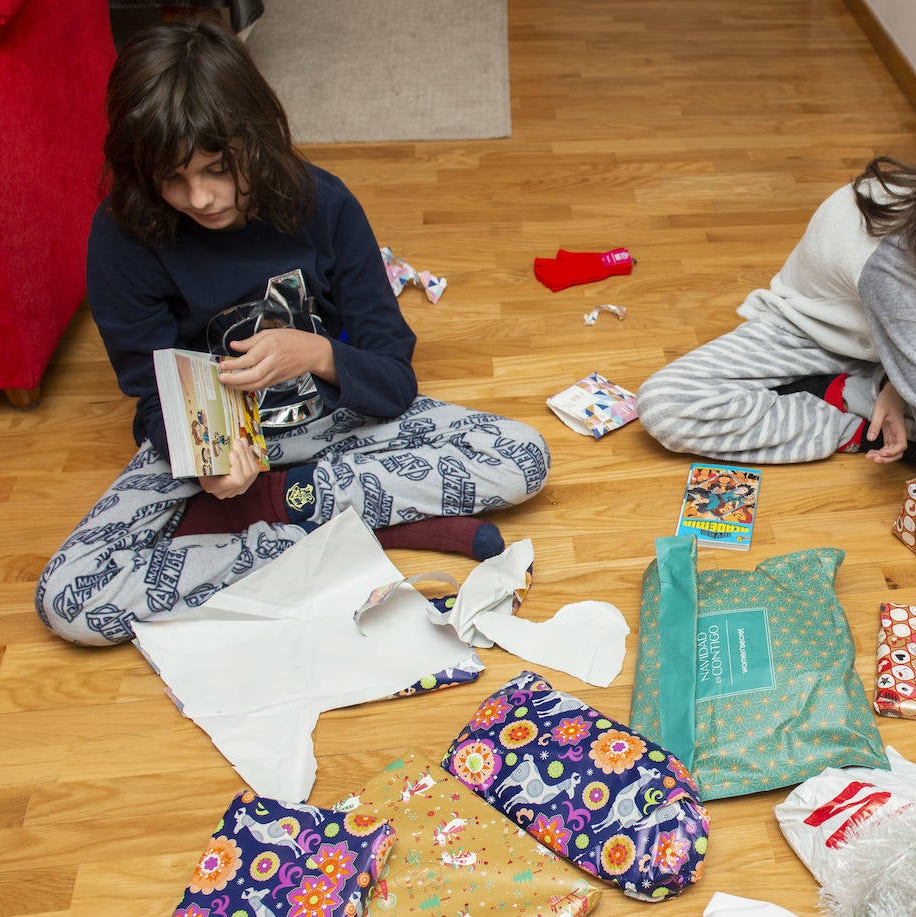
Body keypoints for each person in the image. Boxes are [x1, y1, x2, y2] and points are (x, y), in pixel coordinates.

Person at [36, 19, 550, 647]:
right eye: (172, 179)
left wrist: (317, 353)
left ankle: (281, 511)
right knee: (69, 601)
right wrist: (206, 464)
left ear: (255, 137)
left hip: (338, 423)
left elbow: (394, 380)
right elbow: (151, 398)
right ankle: (350, 525)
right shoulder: (123, 237)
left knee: (525, 457)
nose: (200, 198)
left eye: (217, 169)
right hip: (219, 451)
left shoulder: (324, 204)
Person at [637, 127, 916, 684]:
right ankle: (847, 414)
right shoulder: (892, 264)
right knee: (666, 404)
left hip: (899, 344)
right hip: (808, 336)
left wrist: (899, 379)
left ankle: (865, 395)